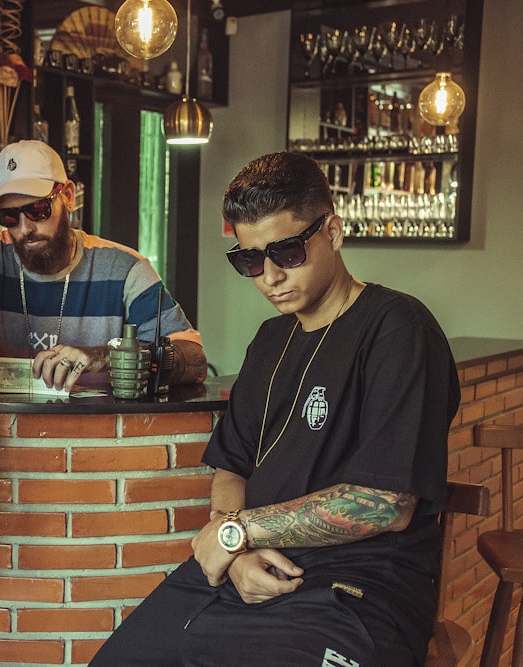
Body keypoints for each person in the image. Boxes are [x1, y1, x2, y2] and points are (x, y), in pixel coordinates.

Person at [90, 151, 459, 666]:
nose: (268, 277)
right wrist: (235, 551)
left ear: (332, 232)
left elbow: (384, 504)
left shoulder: (398, 329)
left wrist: (235, 532)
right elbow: (231, 466)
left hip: (356, 586)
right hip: (245, 571)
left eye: (286, 253)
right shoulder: (270, 340)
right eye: (248, 260)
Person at [0, 140, 206, 392]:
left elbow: (195, 360)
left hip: (100, 435)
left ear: (67, 196)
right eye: (8, 216)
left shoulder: (125, 269)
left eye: (38, 210)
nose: (24, 228)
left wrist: (107, 357)